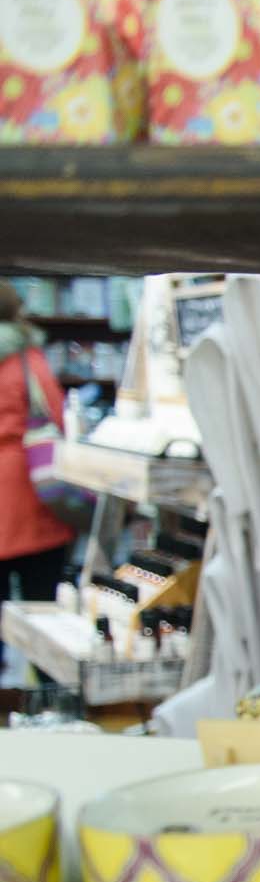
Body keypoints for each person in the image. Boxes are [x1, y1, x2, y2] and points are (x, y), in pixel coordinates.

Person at [0, 282, 75, 669]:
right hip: (32, 493)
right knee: (42, 611)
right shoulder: (29, 361)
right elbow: (57, 418)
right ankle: (43, 698)